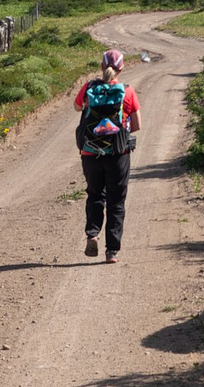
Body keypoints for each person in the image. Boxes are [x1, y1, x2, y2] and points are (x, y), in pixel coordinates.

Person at [73, 48, 140, 262]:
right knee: (116, 200)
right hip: (118, 153)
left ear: (102, 66)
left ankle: (92, 234)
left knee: (95, 195)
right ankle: (112, 251)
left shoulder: (89, 88)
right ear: (122, 67)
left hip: (90, 152)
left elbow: (76, 107)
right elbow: (137, 125)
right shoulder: (127, 92)